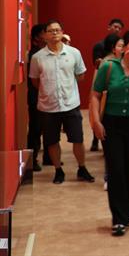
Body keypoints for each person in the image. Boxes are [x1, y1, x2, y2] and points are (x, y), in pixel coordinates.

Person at [89, 31, 129, 236]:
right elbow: (95, 94)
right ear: (124, 46)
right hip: (112, 122)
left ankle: (128, 213)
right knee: (116, 169)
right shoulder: (108, 67)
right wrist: (96, 121)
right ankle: (118, 219)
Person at [29, 19, 94, 184]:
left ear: (62, 32)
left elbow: (81, 75)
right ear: (44, 35)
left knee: (78, 139)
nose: (55, 33)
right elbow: (35, 81)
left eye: (57, 30)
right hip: (48, 106)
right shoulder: (37, 57)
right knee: (52, 141)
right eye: (51, 31)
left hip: (70, 103)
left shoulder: (74, 53)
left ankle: (82, 168)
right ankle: (58, 170)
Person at [90, 33, 125, 153]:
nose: (123, 49)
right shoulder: (107, 64)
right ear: (113, 48)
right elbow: (96, 91)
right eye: (120, 46)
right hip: (108, 107)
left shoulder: (125, 63)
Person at [27, 23, 47, 171]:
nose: (47, 35)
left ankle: (48, 157)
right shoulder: (35, 55)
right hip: (36, 97)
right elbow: (34, 80)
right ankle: (31, 160)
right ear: (36, 37)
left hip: (44, 96)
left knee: (47, 128)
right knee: (35, 129)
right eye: (44, 33)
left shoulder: (43, 52)